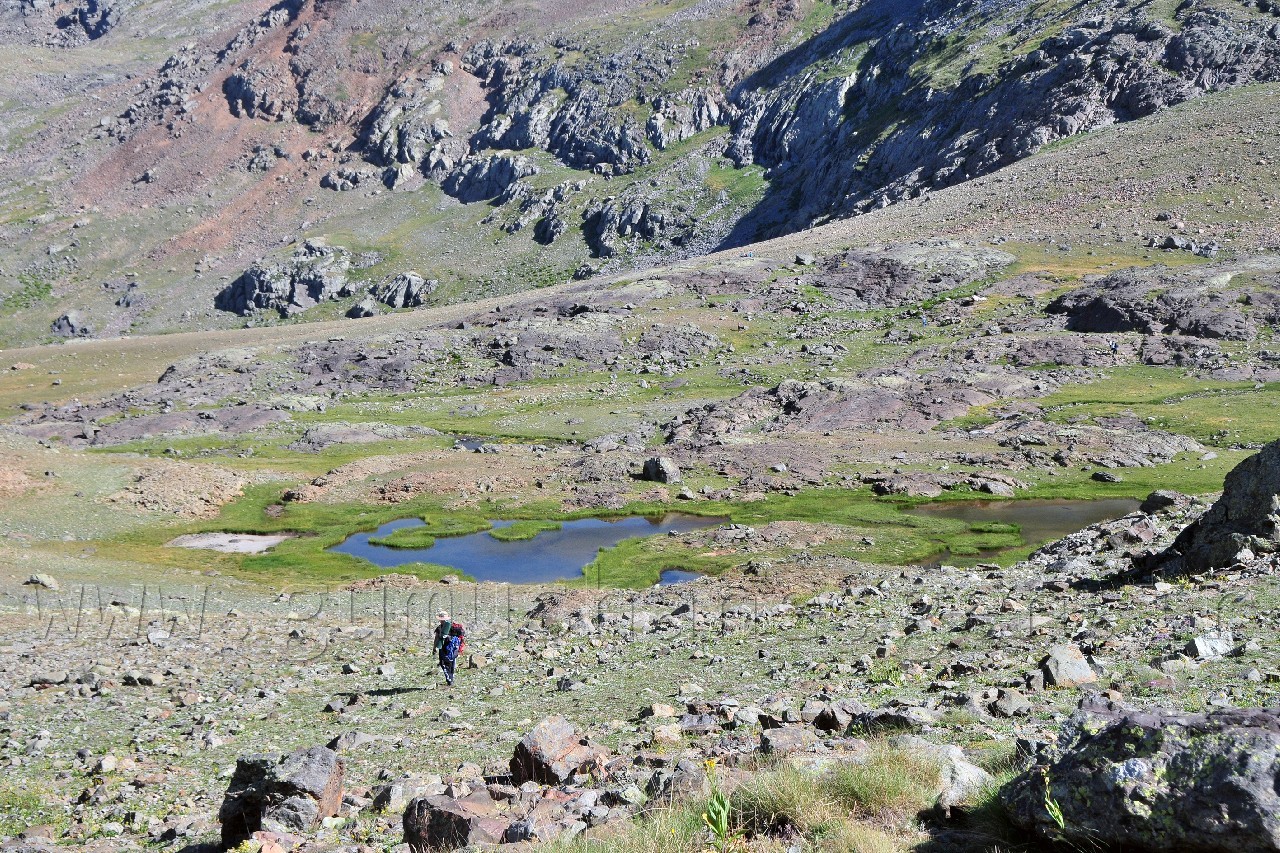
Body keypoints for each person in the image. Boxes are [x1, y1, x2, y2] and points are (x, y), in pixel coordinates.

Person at [439, 623, 465, 687]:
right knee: (452, 665)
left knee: (444, 664)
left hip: (444, 650)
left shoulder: (440, 627)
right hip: (454, 651)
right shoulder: (454, 628)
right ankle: (452, 678)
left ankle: (449, 681)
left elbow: (437, 638)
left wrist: (435, 647)